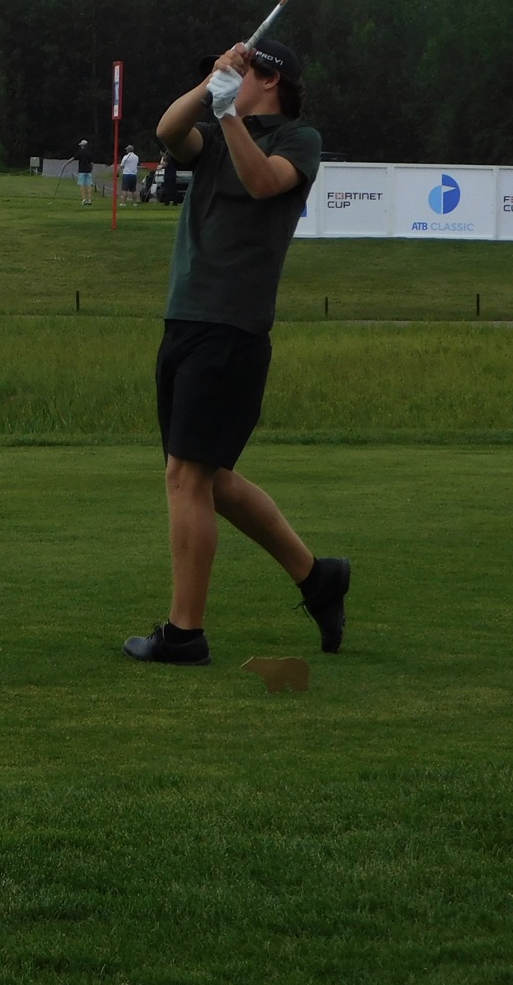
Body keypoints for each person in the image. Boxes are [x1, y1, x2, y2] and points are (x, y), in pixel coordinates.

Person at [123, 38, 350, 666]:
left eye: (241, 72)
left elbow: (262, 182)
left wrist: (225, 114)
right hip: (185, 319)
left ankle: (185, 634)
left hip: (232, 327)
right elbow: (169, 131)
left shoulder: (297, 139)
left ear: (270, 80)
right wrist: (211, 90)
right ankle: (318, 577)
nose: (228, 82)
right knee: (209, 480)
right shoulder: (215, 135)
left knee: (186, 477)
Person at [75, 139, 94, 205]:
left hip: (82, 170)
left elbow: (74, 158)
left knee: (82, 185)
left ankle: (84, 199)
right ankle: (90, 200)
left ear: (82, 146)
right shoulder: (90, 153)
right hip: (88, 171)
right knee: (89, 185)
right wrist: (91, 169)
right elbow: (91, 163)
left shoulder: (80, 152)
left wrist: (66, 164)